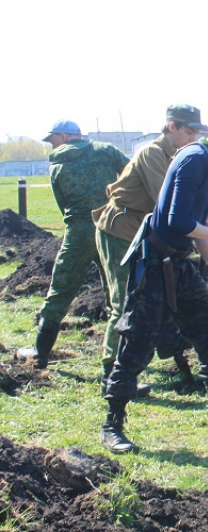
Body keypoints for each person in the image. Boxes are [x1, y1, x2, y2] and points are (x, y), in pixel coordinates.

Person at [100, 114, 208, 454]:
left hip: (177, 262)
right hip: (153, 265)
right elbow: (177, 220)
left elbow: (196, 225)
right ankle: (111, 425)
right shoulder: (194, 160)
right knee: (138, 343)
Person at [92, 105, 208, 394]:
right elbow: (167, 201)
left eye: (196, 131)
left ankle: (155, 351)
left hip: (144, 233)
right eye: (189, 130)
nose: (193, 136)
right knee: (124, 302)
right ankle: (111, 376)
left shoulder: (177, 156)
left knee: (151, 299)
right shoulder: (152, 154)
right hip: (120, 230)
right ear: (171, 126)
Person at [16, 121, 129, 369]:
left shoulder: (56, 167)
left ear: (64, 137)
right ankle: (119, 359)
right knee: (118, 293)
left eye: (52, 140)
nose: (51, 146)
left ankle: (39, 351)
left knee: (61, 288)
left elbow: (62, 206)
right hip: (112, 226)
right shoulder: (107, 150)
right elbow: (132, 175)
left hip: (78, 231)